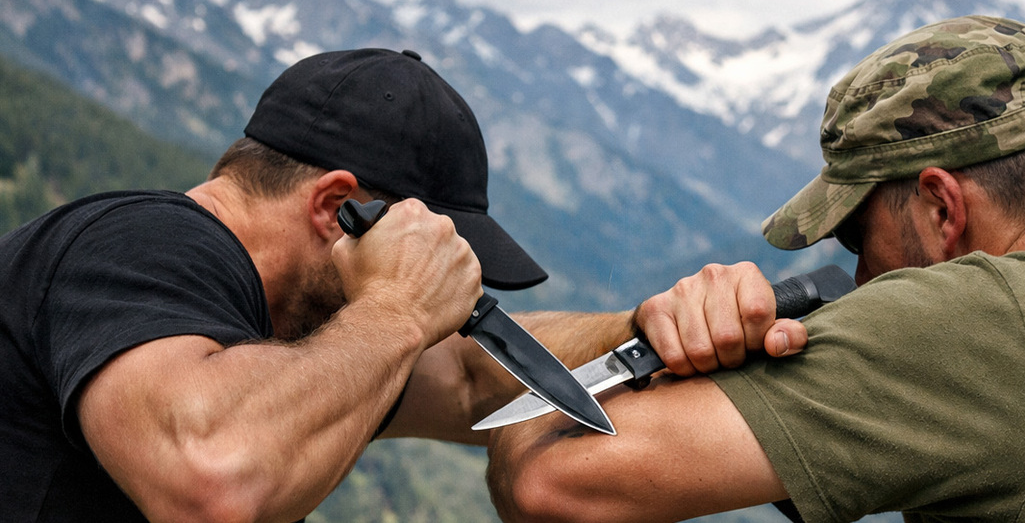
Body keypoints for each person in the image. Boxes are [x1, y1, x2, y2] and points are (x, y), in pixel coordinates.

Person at [0, 47, 796, 522]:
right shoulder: (141, 245)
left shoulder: (289, 334)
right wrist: (397, 306)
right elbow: (213, 483)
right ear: (340, 210)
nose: (439, 298)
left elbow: (463, 377)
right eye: (432, 248)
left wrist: (648, 323)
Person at [486, 15, 1025, 522]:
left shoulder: (975, 317)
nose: (858, 281)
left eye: (858, 239)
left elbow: (551, 487)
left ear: (941, 209)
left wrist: (651, 345)